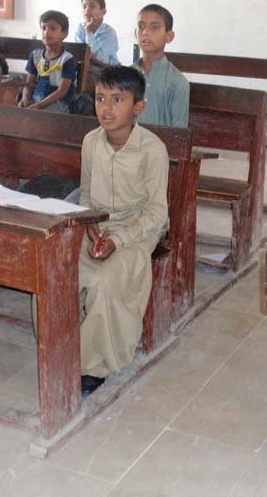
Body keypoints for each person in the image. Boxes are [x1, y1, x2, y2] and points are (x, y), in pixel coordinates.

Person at [76, 65, 168, 395]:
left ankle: (95, 363)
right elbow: (86, 194)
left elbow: (157, 212)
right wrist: (91, 226)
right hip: (98, 227)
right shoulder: (91, 142)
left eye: (118, 99)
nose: (106, 108)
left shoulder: (152, 149)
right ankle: (61, 344)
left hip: (137, 230)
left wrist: (117, 239)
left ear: (138, 107)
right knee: (55, 267)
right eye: (101, 99)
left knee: (103, 280)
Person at [132, 3, 189, 127]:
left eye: (154, 27)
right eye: (141, 26)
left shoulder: (177, 82)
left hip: (161, 145)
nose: (145, 32)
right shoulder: (125, 77)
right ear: (136, 33)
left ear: (169, 36)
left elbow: (179, 135)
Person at [19, 10, 78, 113]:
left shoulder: (68, 60)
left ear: (64, 34)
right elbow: (29, 83)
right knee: (20, 112)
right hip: (36, 99)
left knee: (40, 117)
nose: (47, 32)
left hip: (58, 102)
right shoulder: (35, 55)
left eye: (53, 28)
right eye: (43, 28)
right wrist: (25, 98)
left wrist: (39, 106)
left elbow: (61, 92)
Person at [75, 0, 120, 66]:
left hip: (107, 71)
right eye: (84, 6)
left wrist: (89, 32)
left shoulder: (109, 32)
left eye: (92, 6)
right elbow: (80, 53)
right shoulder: (81, 27)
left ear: (103, 12)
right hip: (86, 70)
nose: (87, 10)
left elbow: (100, 59)